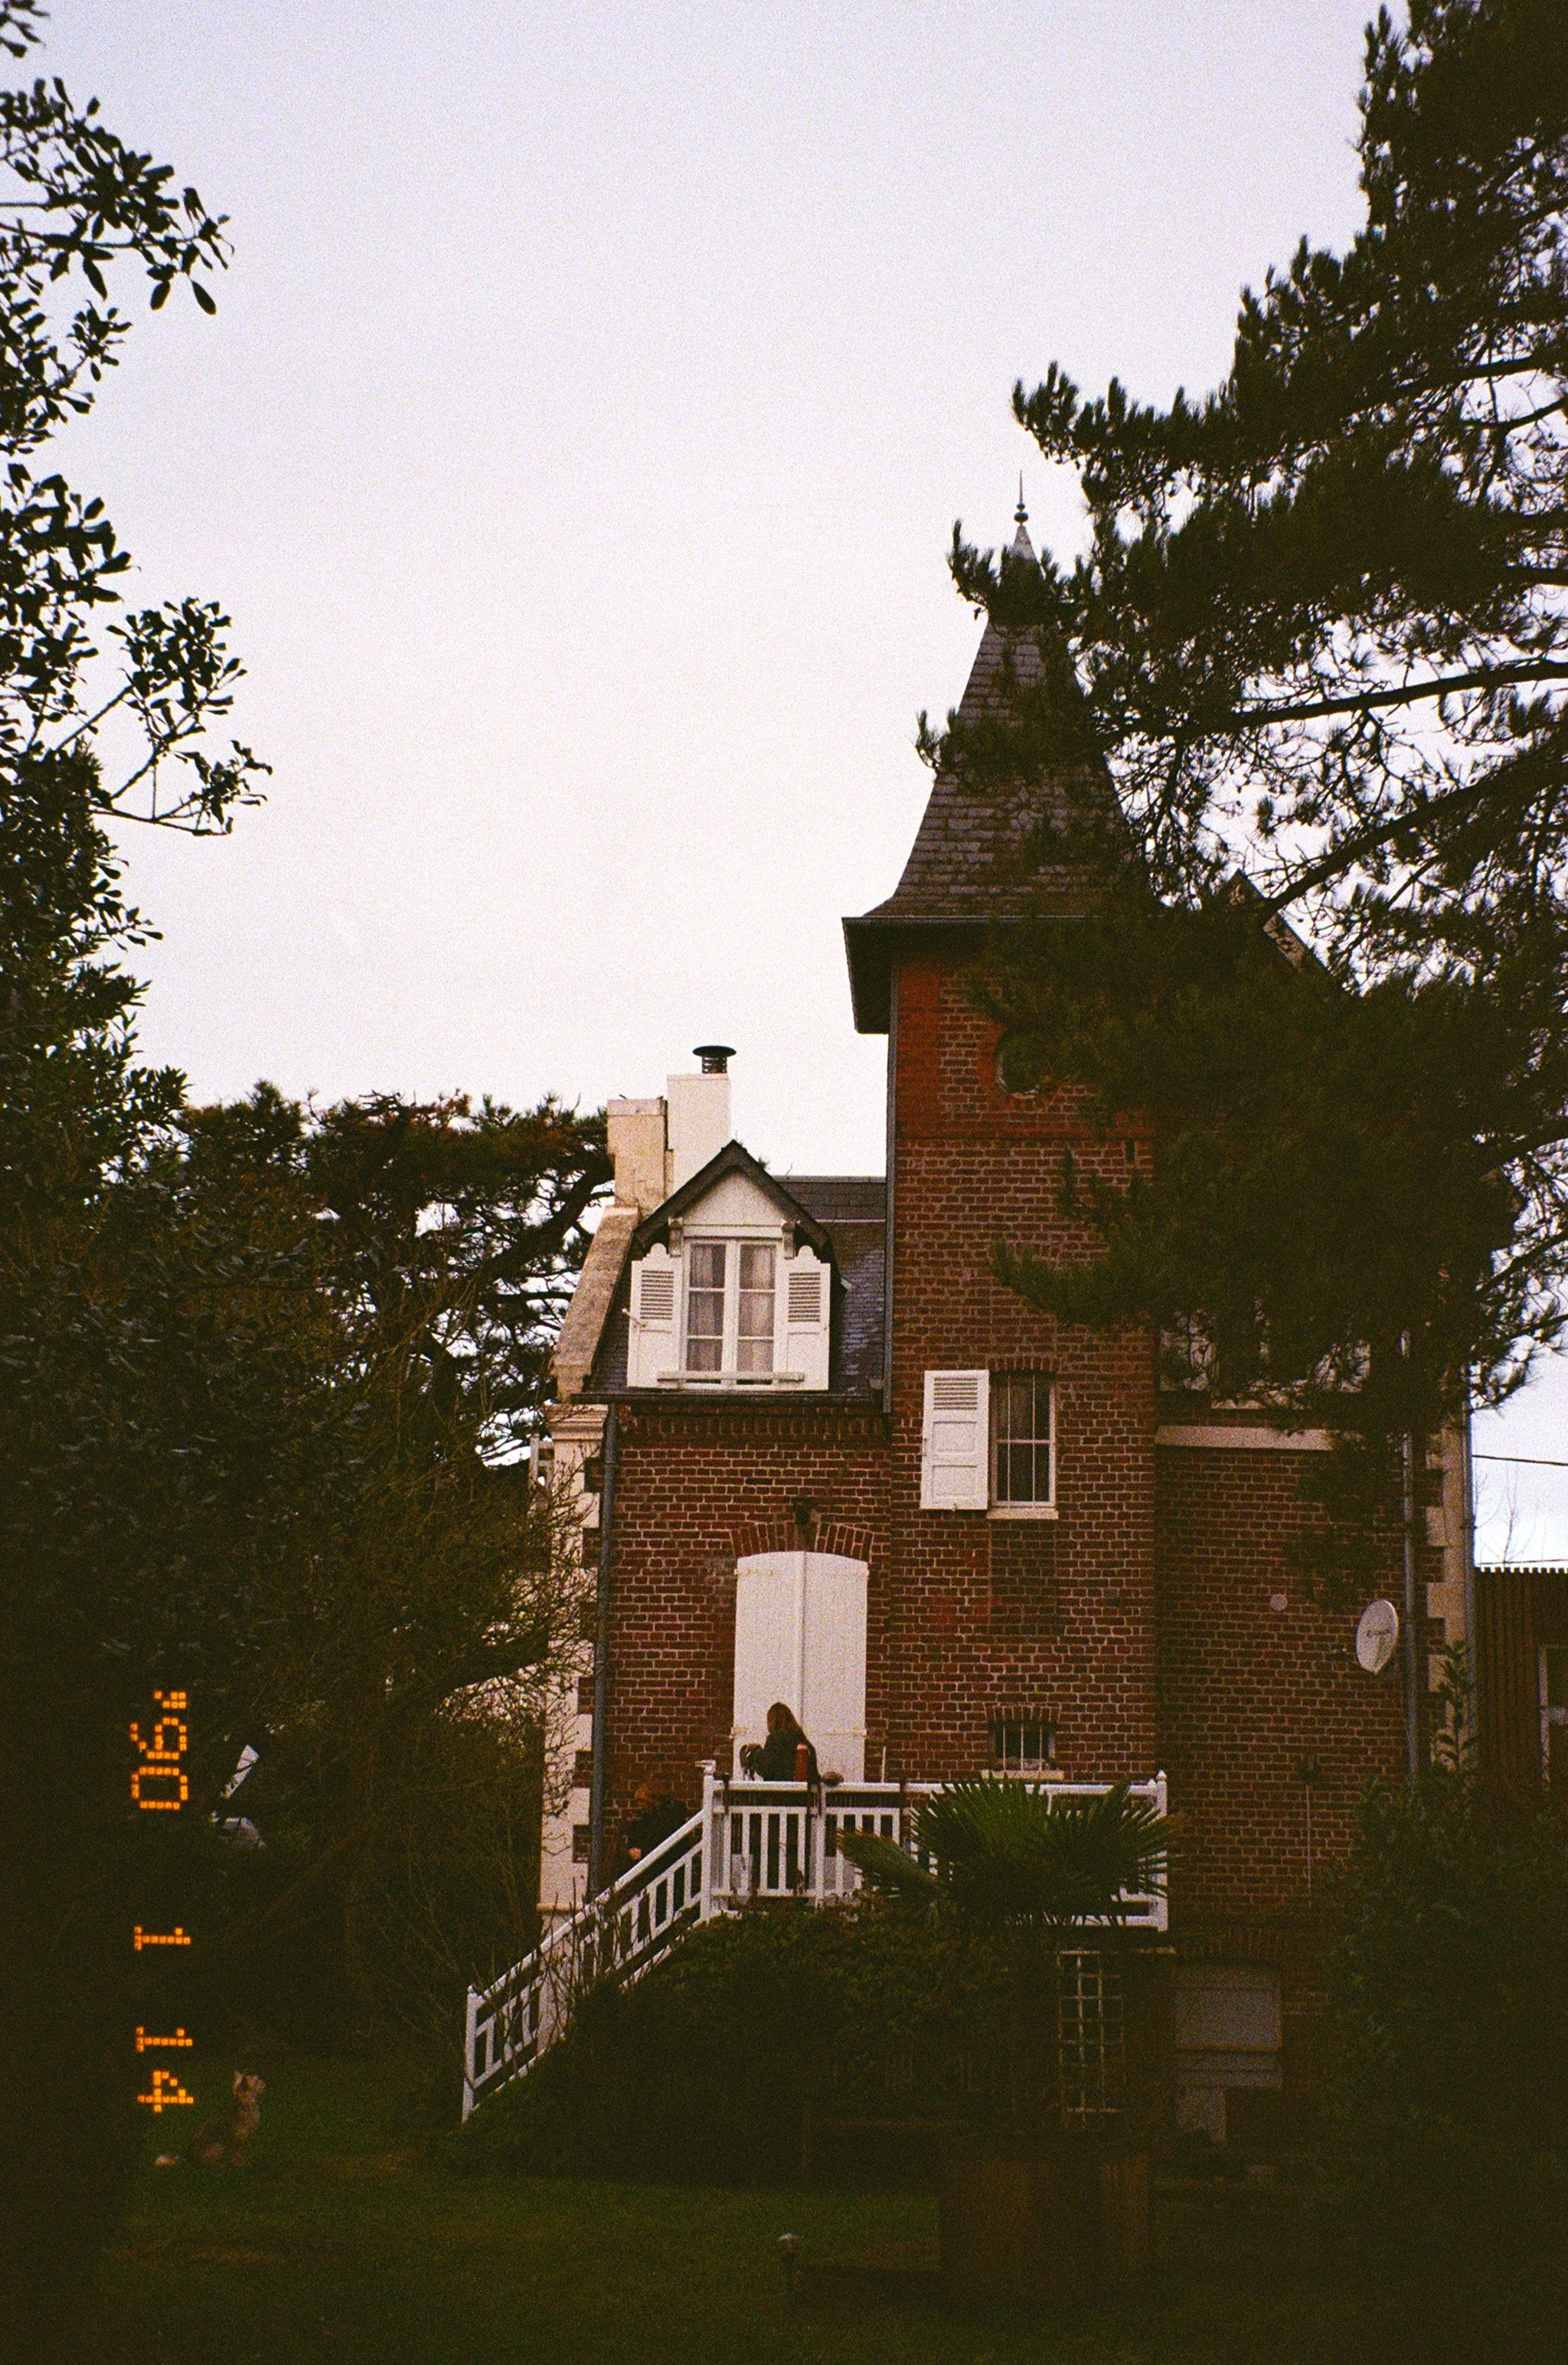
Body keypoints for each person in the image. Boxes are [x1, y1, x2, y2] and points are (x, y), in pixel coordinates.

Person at [739, 1701, 819, 1782]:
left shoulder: (775, 1739)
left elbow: (767, 1769)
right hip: (804, 1793)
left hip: (780, 1793)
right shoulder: (805, 1743)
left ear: (772, 1721)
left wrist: (756, 1753)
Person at [622, 1782, 691, 1866]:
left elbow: (662, 1842)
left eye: (642, 1801)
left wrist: (643, 1853)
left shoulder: (667, 1818)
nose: (640, 1805)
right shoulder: (648, 1818)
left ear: (651, 1799)